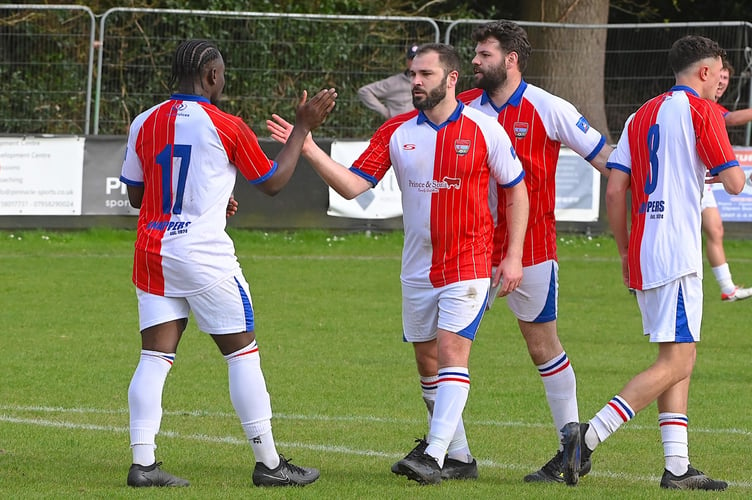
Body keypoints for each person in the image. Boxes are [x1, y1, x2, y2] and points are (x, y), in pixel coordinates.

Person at [267, 43, 529, 485]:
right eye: (411, 75)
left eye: (425, 74)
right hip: (417, 269)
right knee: (427, 361)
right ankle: (459, 457)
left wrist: (514, 255)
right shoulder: (396, 130)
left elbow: (516, 189)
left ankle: (433, 453)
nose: (415, 83)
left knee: (451, 353)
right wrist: (308, 147)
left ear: (451, 79)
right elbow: (353, 186)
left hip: (468, 263)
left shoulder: (487, 130)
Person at [119, 38, 337, 488]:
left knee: (155, 356)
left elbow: (138, 197)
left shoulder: (143, 121)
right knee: (242, 354)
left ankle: (143, 464)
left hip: (152, 253)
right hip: (203, 255)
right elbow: (273, 183)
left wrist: (213, 202)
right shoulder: (226, 125)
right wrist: (301, 128)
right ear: (212, 76)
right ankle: (271, 465)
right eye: (223, 75)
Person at [560, 34, 745, 490]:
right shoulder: (702, 112)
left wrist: (624, 251)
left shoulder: (642, 113)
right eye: (718, 73)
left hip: (645, 248)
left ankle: (677, 467)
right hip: (677, 250)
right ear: (704, 72)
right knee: (678, 361)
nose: (719, 82)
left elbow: (615, 190)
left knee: (677, 355)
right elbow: (736, 183)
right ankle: (587, 435)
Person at [456, 20, 613, 483]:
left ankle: (572, 448)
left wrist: (657, 186)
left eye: (484, 55)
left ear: (510, 59)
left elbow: (606, 159)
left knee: (542, 344)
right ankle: (450, 451)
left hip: (532, 250)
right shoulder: (464, 107)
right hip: (469, 249)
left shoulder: (548, 107)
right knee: (445, 345)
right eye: (476, 54)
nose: (475, 62)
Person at [701, 59, 752, 302]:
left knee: (715, 229)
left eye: (725, 79)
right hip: (686, 180)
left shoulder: (712, 107)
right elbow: (731, 119)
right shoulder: (701, 104)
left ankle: (727, 288)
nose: (721, 83)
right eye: (719, 77)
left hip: (704, 180)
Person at [356, 43, 418, 119]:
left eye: (418, 58)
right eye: (412, 58)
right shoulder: (393, 83)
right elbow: (364, 91)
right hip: (399, 127)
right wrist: (386, 112)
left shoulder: (430, 82)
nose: (415, 62)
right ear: (407, 61)